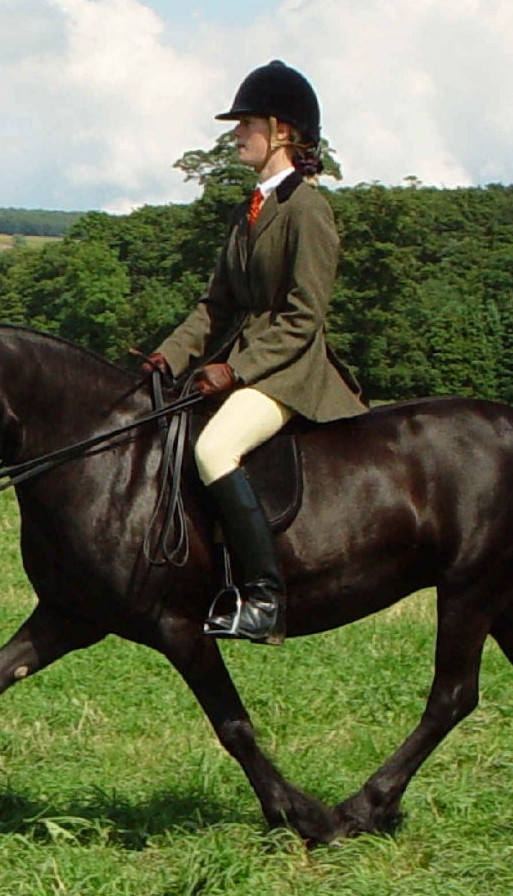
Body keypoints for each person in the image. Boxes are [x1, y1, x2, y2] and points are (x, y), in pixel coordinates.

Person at [141, 60, 366, 644]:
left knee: (214, 447)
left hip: (288, 372)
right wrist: (168, 356)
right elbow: (215, 305)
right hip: (245, 365)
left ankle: (264, 597)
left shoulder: (308, 210)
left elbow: (303, 316)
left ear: (282, 131)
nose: (236, 134)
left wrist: (235, 367)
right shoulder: (251, 210)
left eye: (247, 124)